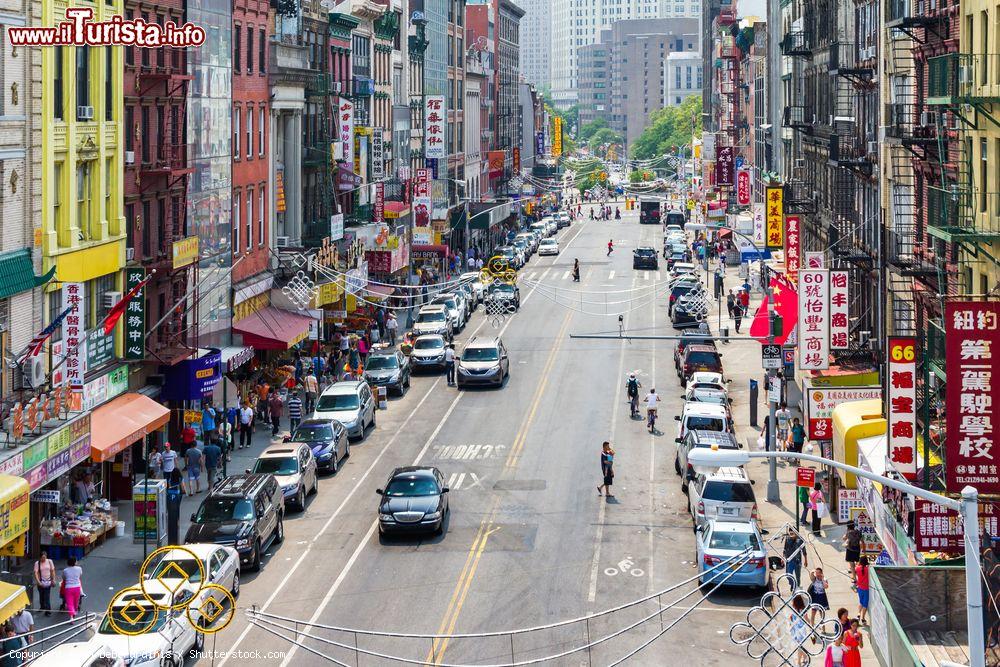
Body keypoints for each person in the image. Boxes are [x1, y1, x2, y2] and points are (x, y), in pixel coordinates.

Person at [33, 552, 55, 616]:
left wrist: (53, 579)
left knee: (47, 597)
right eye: (42, 557)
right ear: (40, 557)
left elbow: (52, 571)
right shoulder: (37, 563)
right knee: (41, 596)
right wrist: (38, 582)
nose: (44, 559)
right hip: (40, 582)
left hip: (48, 581)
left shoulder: (50, 561)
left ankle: (48, 611)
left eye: (45, 557)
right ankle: (42, 606)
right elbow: (36, 573)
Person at [844, 521, 862, 587]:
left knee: (852, 565)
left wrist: (846, 532)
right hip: (857, 549)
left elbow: (844, 538)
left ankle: (855, 579)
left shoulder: (848, 533)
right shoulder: (858, 532)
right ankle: (859, 577)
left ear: (848, 527)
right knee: (857, 563)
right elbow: (861, 541)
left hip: (850, 550)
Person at [855, 556, 870, 624]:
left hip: (859, 588)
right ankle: (863, 618)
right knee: (865, 604)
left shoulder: (857, 568)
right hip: (866, 589)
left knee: (861, 602)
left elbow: (857, 567)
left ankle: (858, 613)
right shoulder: (868, 569)